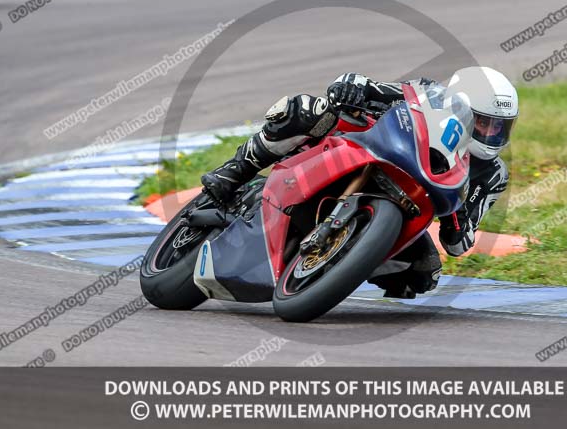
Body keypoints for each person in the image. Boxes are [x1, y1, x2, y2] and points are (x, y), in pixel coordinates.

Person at [201, 68, 518, 298]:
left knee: (423, 274)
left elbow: (458, 243)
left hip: (408, 204)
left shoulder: (493, 176)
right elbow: (374, 88)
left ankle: (337, 266)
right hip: (368, 151)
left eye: (499, 127)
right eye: (483, 123)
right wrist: (354, 87)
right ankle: (232, 172)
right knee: (309, 110)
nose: (491, 134)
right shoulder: (429, 95)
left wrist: (460, 222)